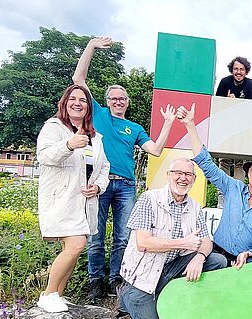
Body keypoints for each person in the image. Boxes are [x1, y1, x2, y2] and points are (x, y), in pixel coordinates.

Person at [73, 37, 177, 301]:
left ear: (127, 102)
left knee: (122, 237)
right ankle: (95, 281)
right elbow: (79, 80)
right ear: (107, 101)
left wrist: (167, 123)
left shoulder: (135, 128)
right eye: (114, 98)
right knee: (95, 236)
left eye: (122, 99)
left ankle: (115, 280)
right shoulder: (98, 115)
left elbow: (155, 150)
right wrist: (91, 47)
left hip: (126, 186)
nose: (118, 102)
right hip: (99, 182)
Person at [178, 103, 252, 319]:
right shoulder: (232, 187)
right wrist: (190, 125)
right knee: (202, 278)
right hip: (217, 252)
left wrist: (250, 252)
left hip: (245, 261)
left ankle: (247, 308)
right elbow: (206, 163)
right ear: (249, 173)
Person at [118, 158, 227, 319]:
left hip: (171, 267)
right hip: (144, 275)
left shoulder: (195, 207)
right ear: (169, 175)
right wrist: (184, 243)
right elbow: (143, 243)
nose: (183, 178)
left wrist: (199, 257)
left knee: (217, 261)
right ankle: (126, 295)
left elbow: (206, 241)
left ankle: (180, 297)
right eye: (178, 173)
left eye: (188, 174)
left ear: (194, 179)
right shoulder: (149, 199)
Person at [36, 84, 110, 313]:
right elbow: (45, 156)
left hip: (85, 201)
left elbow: (104, 166)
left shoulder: (95, 136)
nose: (78, 103)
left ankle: (58, 294)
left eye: (83, 100)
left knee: (75, 247)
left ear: (88, 107)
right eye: (73, 99)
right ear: (65, 103)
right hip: (62, 199)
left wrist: (98, 186)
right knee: (76, 244)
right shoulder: (54, 127)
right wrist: (68, 145)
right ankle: (48, 294)